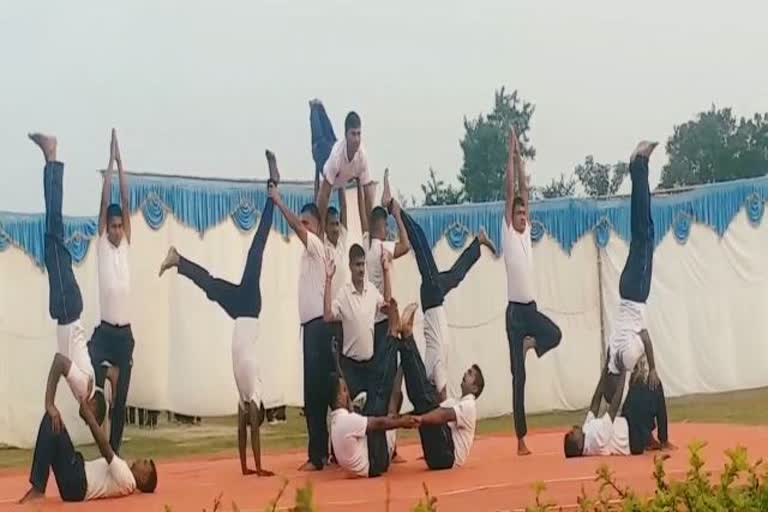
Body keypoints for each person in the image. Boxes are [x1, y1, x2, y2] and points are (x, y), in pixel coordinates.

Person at [157, 151, 280, 477]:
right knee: (257, 251)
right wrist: (257, 467)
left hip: (242, 311)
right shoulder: (254, 393)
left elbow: (243, 430)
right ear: (261, 409)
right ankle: (273, 191)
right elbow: (251, 428)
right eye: (258, 414)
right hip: (249, 308)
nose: (253, 417)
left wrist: (247, 468)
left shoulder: (245, 397)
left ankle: (179, 260)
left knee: (212, 286)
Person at [26, 132, 117, 431]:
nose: (87, 420)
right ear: (92, 406)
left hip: (67, 309)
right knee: (53, 234)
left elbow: (105, 370)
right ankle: (52, 158)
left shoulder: (91, 385)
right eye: (92, 418)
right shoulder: (83, 388)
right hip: (67, 309)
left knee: (52, 235)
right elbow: (59, 362)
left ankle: (50, 161)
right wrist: (49, 402)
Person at [397, 197, 496, 401]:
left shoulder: (432, 370)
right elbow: (441, 394)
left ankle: (395, 209)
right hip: (433, 300)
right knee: (455, 276)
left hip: (433, 301)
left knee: (422, 243)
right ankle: (478, 242)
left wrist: (443, 410)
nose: (463, 375)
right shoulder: (431, 370)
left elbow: (441, 394)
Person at [502, 129, 563, 456]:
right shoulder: (510, 234)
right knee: (518, 377)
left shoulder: (527, 235)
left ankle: (532, 345)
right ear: (511, 217)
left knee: (555, 334)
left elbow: (525, 189)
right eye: (518, 214)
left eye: (525, 214)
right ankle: (521, 439)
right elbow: (513, 188)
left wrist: (521, 153)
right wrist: (511, 153)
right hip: (514, 315)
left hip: (531, 310)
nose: (523, 218)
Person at [270, 183, 334, 471]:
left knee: (317, 394)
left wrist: (279, 202)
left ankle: (319, 455)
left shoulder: (316, 245)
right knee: (320, 393)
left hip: (318, 328)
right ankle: (324, 452)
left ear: (315, 226)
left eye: (307, 222)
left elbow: (296, 227)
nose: (301, 227)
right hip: (313, 329)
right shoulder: (310, 254)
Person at [329, 298, 418, 478]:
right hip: (376, 461)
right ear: (339, 399)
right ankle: (395, 334)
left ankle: (396, 337)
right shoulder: (345, 422)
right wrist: (402, 422)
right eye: (344, 392)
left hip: (371, 454)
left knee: (378, 395)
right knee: (378, 393)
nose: (348, 394)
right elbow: (378, 423)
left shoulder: (338, 420)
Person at [602, 141, 661, 408]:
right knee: (643, 232)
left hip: (636, 293)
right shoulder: (611, 357)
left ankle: (639, 166)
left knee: (644, 233)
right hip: (627, 291)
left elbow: (645, 338)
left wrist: (653, 368)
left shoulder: (625, 360)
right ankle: (639, 168)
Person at [395, 301, 486, 470]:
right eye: (468, 371)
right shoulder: (456, 401)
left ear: (475, 388)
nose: (465, 374)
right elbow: (434, 411)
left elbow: (442, 416)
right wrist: (399, 420)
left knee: (427, 401)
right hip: (438, 455)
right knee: (424, 401)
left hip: (446, 458)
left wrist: (421, 419)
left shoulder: (469, 405)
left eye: (470, 374)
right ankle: (405, 339)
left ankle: (406, 336)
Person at [88, 129, 135, 454]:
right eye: (113, 226)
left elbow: (125, 201)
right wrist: (109, 160)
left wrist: (121, 162)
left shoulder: (126, 244)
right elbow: (107, 201)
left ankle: (114, 453)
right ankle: (107, 372)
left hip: (125, 334)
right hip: (105, 331)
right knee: (89, 358)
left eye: (120, 226)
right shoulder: (103, 244)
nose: (117, 231)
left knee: (122, 404)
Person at [19, 398, 157, 503]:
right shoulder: (125, 478)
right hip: (75, 481)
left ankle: (38, 488)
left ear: (144, 479)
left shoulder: (128, 479)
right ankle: (38, 486)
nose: (141, 460)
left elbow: (105, 449)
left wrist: (90, 419)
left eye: (145, 463)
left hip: (77, 481)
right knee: (53, 424)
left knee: (52, 419)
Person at [562, 359, 674, 457]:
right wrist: (624, 374)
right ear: (579, 444)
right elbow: (613, 408)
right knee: (655, 385)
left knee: (638, 387)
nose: (573, 428)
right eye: (572, 433)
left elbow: (595, 402)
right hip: (634, 437)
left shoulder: (586, 431)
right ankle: (660, 439)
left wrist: (606, 367)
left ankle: (649, 438)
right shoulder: (595, 440)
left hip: (628, 420)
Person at [324, 244, 391, 402]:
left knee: (370, 413)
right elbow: (327, 316)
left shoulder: (372, 290)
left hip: (370, 365)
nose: (361, 269)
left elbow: (388, 306)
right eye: (357, 265)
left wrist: (387, 271)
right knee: (352, 415)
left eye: (363, 264)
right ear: (350, 266)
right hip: (350, 367)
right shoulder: (343, 293)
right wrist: (328, 279)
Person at [360, 170, 411, 356]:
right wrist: (397, 215)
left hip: (368, 318)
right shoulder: (383, 248)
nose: (388, 230)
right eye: (386, 226)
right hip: (382, 318)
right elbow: (406, 246)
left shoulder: (366, 246)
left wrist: (360, 184)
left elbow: (363, 215)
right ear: (380, 226)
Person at [315, 108, 376, 238]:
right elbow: (324, 194)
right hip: (323, 159)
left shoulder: (362, 156)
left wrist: (371, 229)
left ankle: (320, 107)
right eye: (353, 134)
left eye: (359, 134)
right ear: (346, 135)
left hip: (336, 158)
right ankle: (315, 109)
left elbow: (368, 196)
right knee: (319, 140)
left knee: (330, 137)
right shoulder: (336, 158)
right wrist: (320, 226)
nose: (356, 139)